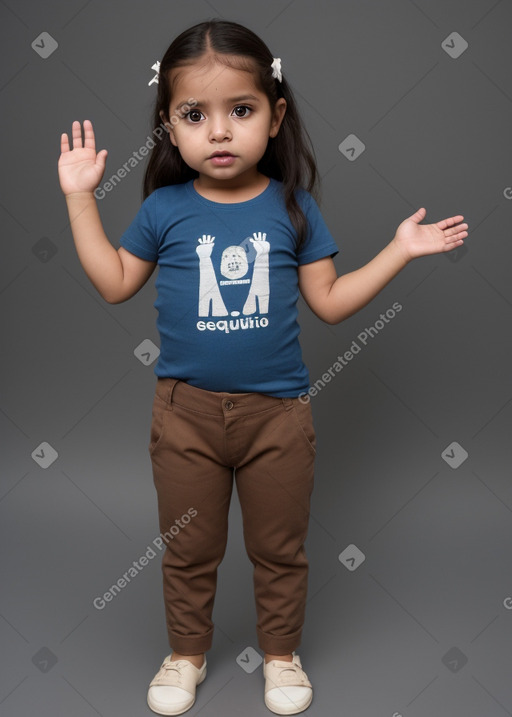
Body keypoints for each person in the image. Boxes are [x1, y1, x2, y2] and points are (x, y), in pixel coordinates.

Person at [58, 18, 468, 717]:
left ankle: (281, 654)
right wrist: (78, 197)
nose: (219, 132)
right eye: (195, 115)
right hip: (184, 414)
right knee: (189, 548)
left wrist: (398, 250)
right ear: (170, 127)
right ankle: (186, 652)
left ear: (274, 117)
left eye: (240, 111)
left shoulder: (293, 209)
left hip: (278, 417)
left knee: (280, 548)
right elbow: (114, 281)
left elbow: (331, 304)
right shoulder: (164, 209)